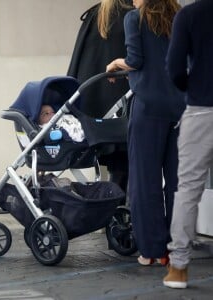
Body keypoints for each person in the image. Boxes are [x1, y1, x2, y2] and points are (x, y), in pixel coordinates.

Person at [106, 0, 186, 265]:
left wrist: (116, 63)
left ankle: (153, 250)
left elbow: (135, 60)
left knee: (144, 181)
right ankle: (174, 249)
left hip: (148, 109)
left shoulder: (135, 19)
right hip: (180, 108)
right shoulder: (180, 16)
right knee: (177, 183)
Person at [163, 0, 213, 289]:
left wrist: (192, 87)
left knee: (189, 189)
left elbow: (174, 68)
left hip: (201, 109)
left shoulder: (189, 15)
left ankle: (179, 269)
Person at [67, 0, 133, 191]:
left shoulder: (96, 16)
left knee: (116, 167)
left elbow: (77, 65)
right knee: (124, 166)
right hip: (123, 105)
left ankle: (113, 211)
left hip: (95, 105)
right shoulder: (134, 15)